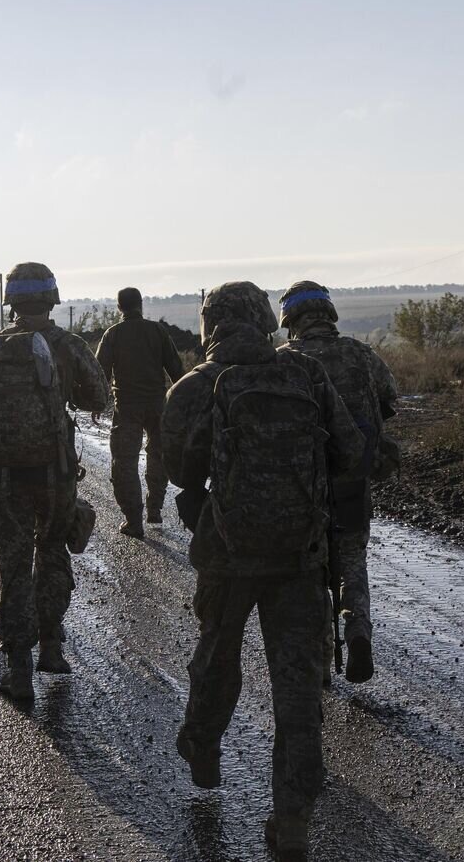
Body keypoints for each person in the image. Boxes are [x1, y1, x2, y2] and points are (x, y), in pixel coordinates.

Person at [163, 282, 364, 862]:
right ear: (263, 321)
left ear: (210, 325)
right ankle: (293, 819)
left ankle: (203, 747)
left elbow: (178, 469)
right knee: (298, 689)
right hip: (301, 557)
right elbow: (351, 452)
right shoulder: (304, 375)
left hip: (226, 556)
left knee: (217, 655)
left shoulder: (195, 386)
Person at [0, 262, 109, 702]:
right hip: (56, 474)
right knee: (51, 551)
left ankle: (19, 671)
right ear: (51, 298)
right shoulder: (66, 344)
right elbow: (100, 397)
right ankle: (51, 644)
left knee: (12, 570)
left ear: (11, 300)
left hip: (6, 475)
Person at [279, 280, 398, 684]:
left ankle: (320, 654)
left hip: (302, 486)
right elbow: (388, 399)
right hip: (352, 479)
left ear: (290, 320)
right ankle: (358, 629)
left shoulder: (283, 362)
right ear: (328, 314)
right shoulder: (360, 354)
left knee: (311, 570)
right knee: (352, 561)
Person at [95, 287, 185, 537]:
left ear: (119, 307)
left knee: (125, 462)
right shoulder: (157, 331)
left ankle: (133, 521)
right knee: (158, 455)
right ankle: (154, 508)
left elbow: (99, 373)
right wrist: (183, 405)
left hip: (126, 407)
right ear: (140, 305)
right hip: (158, 404)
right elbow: (176, 370)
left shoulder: (112, 334)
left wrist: (96, 403)